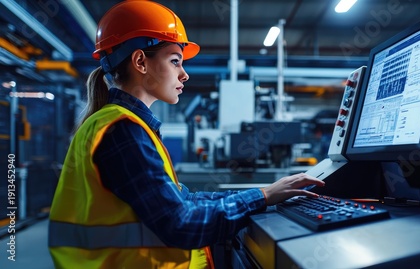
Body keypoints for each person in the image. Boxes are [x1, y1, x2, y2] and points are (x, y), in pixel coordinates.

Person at [48, 1, 324, 268]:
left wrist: (265, 194)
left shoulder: (118, 123)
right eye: (175, 61)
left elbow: (184, 199)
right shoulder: (122, 131)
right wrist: (263, 196)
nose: (184, 75)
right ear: (141, 61)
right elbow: (182, 224)